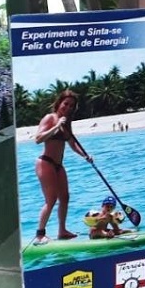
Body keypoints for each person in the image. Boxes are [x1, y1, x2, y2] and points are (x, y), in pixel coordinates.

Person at [33, 90, 93, 244]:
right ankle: (40, 235)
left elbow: (72, 143)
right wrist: (56, 127)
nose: (68, 107)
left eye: (71, 106)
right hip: (45, 162)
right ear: (59, 103)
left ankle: (62, 231)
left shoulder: (67, 123)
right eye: (66, 104)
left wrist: (85, 156)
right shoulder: (50, 118)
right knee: (51, 199)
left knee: (65, 198)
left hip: (58, 165)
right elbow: (38, 139)